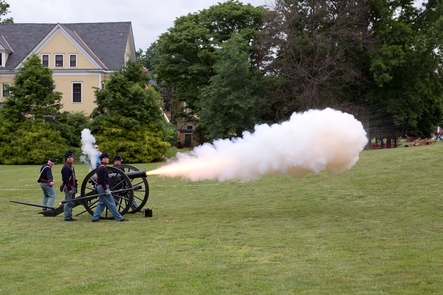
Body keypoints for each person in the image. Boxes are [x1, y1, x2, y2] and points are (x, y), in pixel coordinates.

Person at [92, 152, 128, 222]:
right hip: (103, 187)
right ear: (103, 159)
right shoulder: (103, 168)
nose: (108, 159)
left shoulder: (101, 167)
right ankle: (119, 218)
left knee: (102, 203)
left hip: (100, 187)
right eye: (107, 158)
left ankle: (95, 218)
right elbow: (102, 180)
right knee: (111, 203)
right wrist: (105, 189)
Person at [61, 151, 77, 221]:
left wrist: (75, 187)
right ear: (68, 158)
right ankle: (67, 217)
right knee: (68, 202)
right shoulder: (65, 168)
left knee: (71, 202)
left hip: (72, 186)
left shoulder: (71, 167)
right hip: (69, 187)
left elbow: (74, 178)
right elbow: (66, 179)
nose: (73, 159)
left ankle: (69, 216)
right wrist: (69, 188)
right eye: (72, 157)